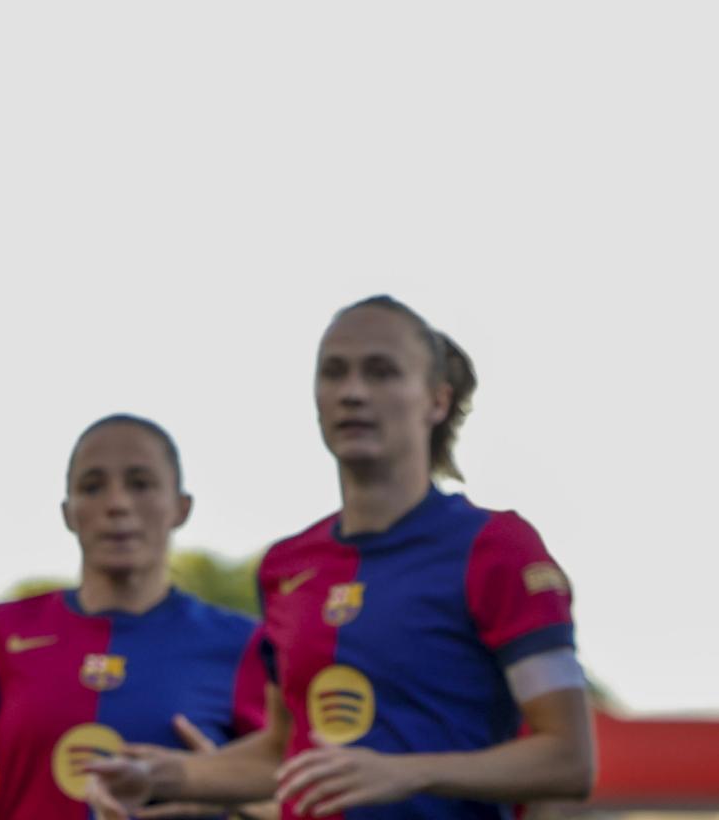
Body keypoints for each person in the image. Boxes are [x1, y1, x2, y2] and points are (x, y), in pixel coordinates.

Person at [85, 296, 595, 820]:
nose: (353, 392)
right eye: (334, 373)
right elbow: (280, 754)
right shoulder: (286, 567)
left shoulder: (496, 546)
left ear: (436, 401)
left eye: (381, 372)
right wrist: (160, 776)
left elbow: (568, 759)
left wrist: (410, 771)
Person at [0, 415, 267, 820]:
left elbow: (298, 793)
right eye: (92, 486)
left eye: (140, 483)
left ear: (181, 507)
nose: (117, 504)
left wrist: (219, 788)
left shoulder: (246, 644)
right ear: (68, 511)